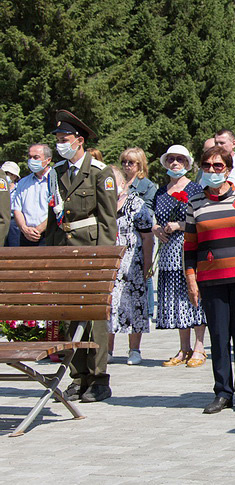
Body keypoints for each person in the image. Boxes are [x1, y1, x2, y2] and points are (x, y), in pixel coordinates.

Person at [185, 145, 235, 414]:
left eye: (217, 166)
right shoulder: (194, 202)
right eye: (207, 166)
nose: (212, 170)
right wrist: (192, 280)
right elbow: (189, 247)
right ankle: (222, 392)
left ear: (229, 169)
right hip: (211, 279)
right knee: (219, 337)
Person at [47, 110, 118, 403]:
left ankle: (99, 378)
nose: (60, 144)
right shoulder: (56, 172)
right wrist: (52, 256)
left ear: (79, 141)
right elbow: (54, 216)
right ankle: (78, 377)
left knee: (94, 318)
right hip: (66, 251)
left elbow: (107, 219)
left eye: (65, 139)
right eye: (58, 140)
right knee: (70, 316)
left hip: (91, 250)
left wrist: (103, 260)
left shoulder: (100, 172)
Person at [153, 145, 207, 368]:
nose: (175, 163)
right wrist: (156, 228)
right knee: (175, 301)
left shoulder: (195, 189)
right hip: (167, 254)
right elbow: (155, 218)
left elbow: (201, 220)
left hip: (187, 250)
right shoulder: (160, 191)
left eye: (180, 160)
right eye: (172, 159)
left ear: (187, 163)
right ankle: (183, 347)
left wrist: (180, 225)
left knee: (193, 297)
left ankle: (199, 347)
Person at [107, 166, 153, 365]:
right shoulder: (103, 204)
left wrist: (147, 263)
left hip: (132, 262)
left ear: (123, 183)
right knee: (108, 307)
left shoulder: (136, 203)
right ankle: (107, 351)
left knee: (134, 305)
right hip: (109, 265)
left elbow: (147, 235)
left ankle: (134, 350)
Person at [12, 145, 54, 247]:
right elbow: (17, 209)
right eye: (29, 157)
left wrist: (39, 229)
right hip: (25, 236)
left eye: (36, 157)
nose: (31, 160)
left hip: (48, 235)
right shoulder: (23, 182)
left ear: (48, 160)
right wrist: (24, 228)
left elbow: (57, 209)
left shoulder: (56, 180)